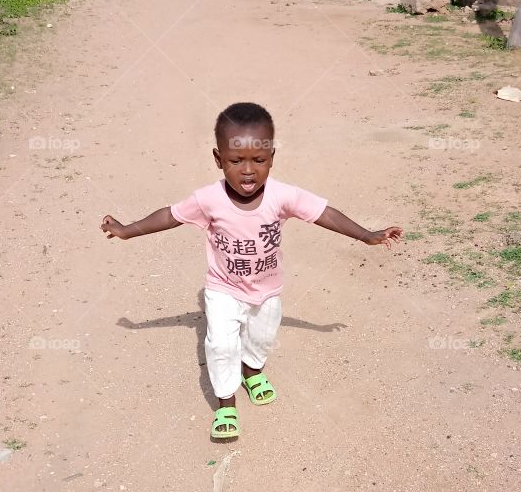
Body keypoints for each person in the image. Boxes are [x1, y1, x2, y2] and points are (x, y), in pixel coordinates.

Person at [100, 102, 402, 441]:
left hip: (267, 290)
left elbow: (322, 213)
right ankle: (226, 402)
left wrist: (365, 234)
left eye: (259, 161)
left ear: (272, 156)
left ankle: (252, 372)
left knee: (261, 337)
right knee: (221, 345)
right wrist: (127, 230)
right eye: (235, 161)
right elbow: (169, 216)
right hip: (223, 289)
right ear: (218, 159)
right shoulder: (208, 199)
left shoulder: (282, 195)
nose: (248, 171)